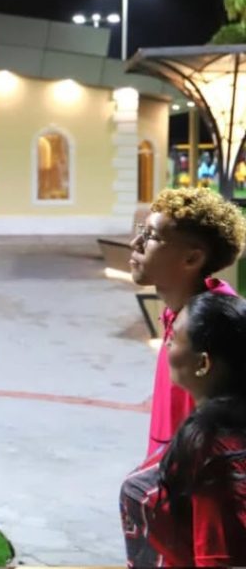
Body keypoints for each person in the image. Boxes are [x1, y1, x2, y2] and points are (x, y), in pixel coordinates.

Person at [120, 292, 246, 566]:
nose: (166, 342)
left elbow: (217, 558)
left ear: (203, 363)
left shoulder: (210, 448)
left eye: (175, 337)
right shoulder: (226, 429)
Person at [129, 187, 246, 455]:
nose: (136, 243)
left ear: (192, 258)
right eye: (141, 231)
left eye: (151, 236)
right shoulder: (179, 313)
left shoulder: (216, 329)